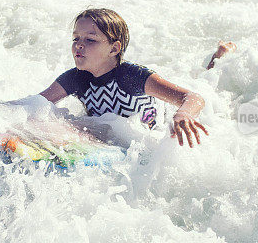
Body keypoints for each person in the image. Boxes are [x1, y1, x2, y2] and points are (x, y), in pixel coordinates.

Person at [38, 8, 235, 148]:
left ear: (114, 48)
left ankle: (218, 57)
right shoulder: (75, 78)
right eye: (76, 38)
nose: (78, 45)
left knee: (208, 80)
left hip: (155, 126)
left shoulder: (132, 76)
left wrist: (183, 115)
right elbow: (36, 103)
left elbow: (194, 98)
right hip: (116, 135)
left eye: (90, 39)